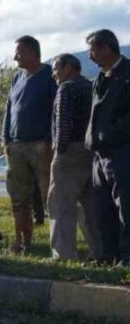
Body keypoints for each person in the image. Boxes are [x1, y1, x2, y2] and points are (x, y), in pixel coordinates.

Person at [2, 35, 57, 253]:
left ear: (34, 53)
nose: (15, 56)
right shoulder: (17, 78)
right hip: (15, 146)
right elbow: (9, 109)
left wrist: (48, 140)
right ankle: (21, 242)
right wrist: (5, 138)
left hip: (40, 146)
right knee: (18, 197)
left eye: (19, 52)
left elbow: (56, 110)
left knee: (48, 196)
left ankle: (57, 245)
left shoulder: (49, 75)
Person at [47, 53, 101, 261]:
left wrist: (59, 150)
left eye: (55, 69)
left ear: (69, 67)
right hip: (90, 150)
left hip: (69, 150)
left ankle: (63, 254)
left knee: (60, 203)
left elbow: (63, 122)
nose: (53, 74)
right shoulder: (90, 86)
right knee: (90, 205)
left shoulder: (66, 88)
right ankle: (100, 251)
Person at [85, 29, 130, 266]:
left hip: (122, 151)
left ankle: (127, 256)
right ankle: (108, 255)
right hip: (98, 154)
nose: (90, 57)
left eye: (93, 50)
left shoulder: (127, 73)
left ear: (106, 48)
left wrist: (110, 135)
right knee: (103, 207)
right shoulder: (100, 79)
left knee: (126, 204)